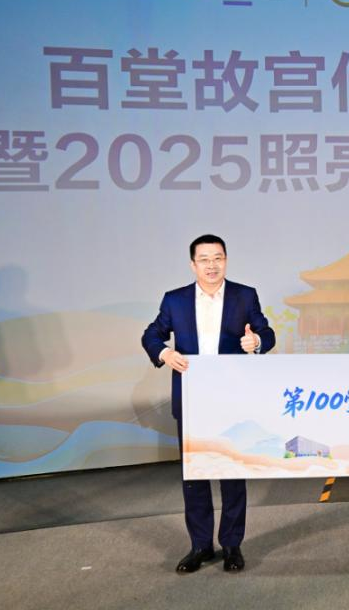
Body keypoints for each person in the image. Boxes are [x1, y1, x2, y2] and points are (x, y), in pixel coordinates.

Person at [142, 234, 275, 574]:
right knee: (195, 475)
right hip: (193, 398)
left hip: (233, 398)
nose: (212, 265)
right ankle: (200, 545)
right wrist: (164, 353)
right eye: (204, 259)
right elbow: (151, 335)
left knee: (232, 474)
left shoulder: (245, 295)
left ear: (226, 260)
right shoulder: (175, 300)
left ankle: (232, 545)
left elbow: (267, 333)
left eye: (218, 258)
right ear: (193, 264)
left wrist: (256, 341)